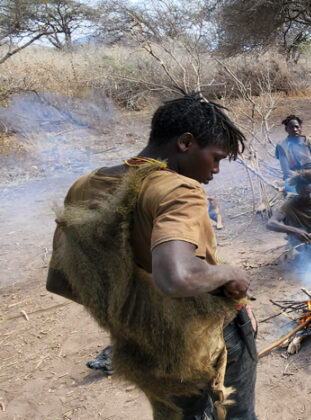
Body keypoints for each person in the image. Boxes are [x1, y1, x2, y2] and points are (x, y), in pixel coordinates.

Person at [46, 93, 258, 419]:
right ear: (186, 143)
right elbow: (177, 276)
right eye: (215, 157)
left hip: (144, 347)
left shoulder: (85, 185)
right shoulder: (178, 189)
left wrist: (131, 314)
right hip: (202, 338)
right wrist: (232, 274)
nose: (216, 169)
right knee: (235, 415)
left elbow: (60, 279)